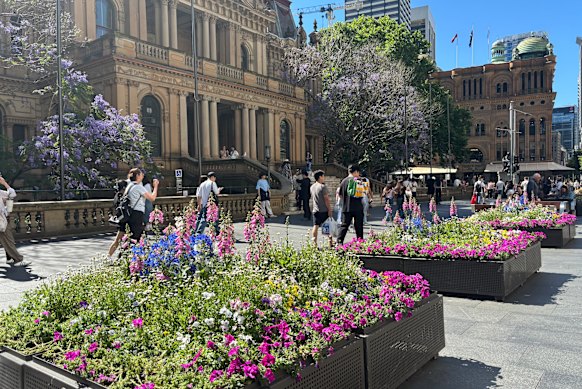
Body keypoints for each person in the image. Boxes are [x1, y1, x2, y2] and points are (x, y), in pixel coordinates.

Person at [116, 168, 159, 244]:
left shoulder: (129, 186)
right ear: (138, 176)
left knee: (119, 239)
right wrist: (155, 186)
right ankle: (127, 254)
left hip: (128, 214)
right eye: (141, 174)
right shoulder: (138, 187)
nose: (143, 176)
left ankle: (109, 255)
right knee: (135, 239)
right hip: (136, 215)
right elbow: (152, 198)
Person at [0, 176, 28, 266]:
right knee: (8, 239)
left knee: (7, 239)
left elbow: (12, 195)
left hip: (2, 220)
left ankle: (10, 258)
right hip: (1, 221)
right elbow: (12, 195)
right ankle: (18, 259)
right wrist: (4, 183)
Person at [336, 165, 365, 244]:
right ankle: (360, 242)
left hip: (346, 207)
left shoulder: (343, 181)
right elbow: (362, 194)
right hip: (357, 207)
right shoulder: (357, 181)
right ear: (355, 172)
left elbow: (340, 194)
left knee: (344, 225)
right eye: (358, 172)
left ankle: (339, 242)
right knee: (358, 226)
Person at [310, 170, 332, 247]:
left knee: (315, 225)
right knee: (328, 226)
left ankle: (314, 243)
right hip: (323, 209)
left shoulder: (312, 187)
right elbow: (326, 199)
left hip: (315, 209)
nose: (324, 178)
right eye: (323, 176)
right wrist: (329, 209)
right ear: (320, 177)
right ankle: (330, 242)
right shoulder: (322, 187)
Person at [107, 179, 128, 259]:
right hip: (123, 220)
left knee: (123, 240)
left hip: (122, 220)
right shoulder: (121, 196)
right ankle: (109, 257)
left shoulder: (117, 195)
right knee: (118, 240)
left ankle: (120, 256)